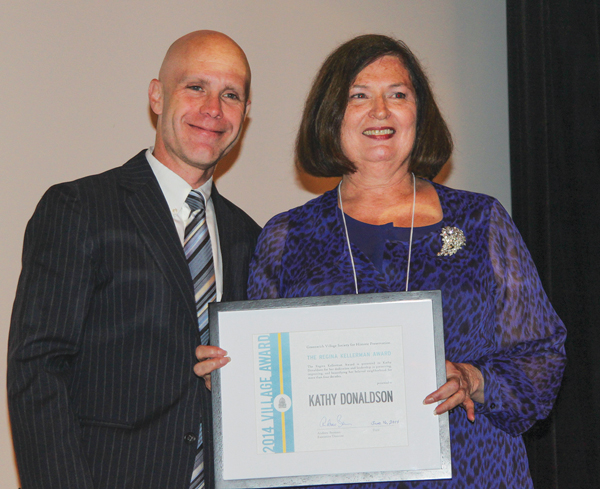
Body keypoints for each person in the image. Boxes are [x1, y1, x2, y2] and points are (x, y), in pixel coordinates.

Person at [248, 34, 566, 488]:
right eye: (359, 96)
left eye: (398, 94)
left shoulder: (481, 221)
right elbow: (268, 382)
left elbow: (543, 354)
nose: (380, 111)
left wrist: (475, 380)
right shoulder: (286, 237)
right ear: (331, 115)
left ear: (420, 113)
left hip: (471, 469)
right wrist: (232, 376)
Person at [8, 30, 260, 489]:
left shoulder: (252, 237)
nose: (213, 109)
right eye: (196, 87)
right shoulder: (79, 208)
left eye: (231, 95)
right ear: (157, 96)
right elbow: (37, 370)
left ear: (244, 115)